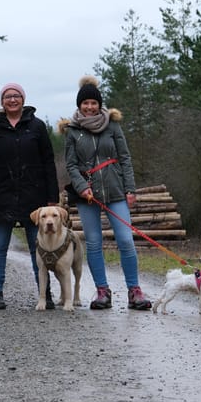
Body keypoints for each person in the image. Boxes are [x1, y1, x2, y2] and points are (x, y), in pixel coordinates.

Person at [59, 75, 152, 310]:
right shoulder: (72, 131)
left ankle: (134, 291)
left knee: (125, 239)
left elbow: (125, 158)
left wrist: (130, 188)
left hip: (116, 191)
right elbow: (70, 165)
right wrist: (82, 187)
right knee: (93, 243)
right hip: (87, 194)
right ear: (79, 105)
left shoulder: (112, 125)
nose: (89, 107)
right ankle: (102, 291)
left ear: (99, 104)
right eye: (85, 103)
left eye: (93, 103)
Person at [0, 83, 60, 309]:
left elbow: (48, 163)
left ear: (23, 100)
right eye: (8, 97)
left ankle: (45, 294)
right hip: (0, 195)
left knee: (37, 247)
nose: (12, 100)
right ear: (2, 102)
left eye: (16, 96)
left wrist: (52, 197)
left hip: (34, 195)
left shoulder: (38, 127)